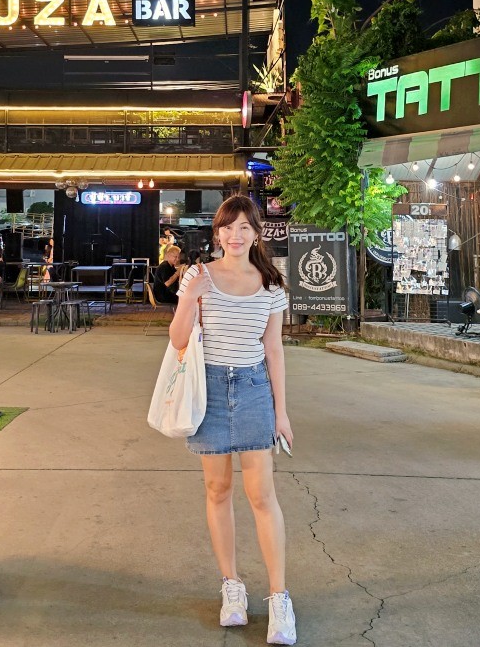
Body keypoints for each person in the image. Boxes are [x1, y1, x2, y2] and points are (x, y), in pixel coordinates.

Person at [169, 195, 296, 645]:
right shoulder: (198, 276)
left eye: (245, 227)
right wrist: (191, 297)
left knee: (262, 495)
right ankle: (232, 588)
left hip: (253, 389)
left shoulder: (271, 284)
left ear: (257, 233)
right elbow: (179, 339)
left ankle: (280, 598)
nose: (236, 235)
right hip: (208, 391)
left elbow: (274, 350)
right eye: (228, 227)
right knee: (217, 490)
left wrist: (281, 412)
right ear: (217, 233)